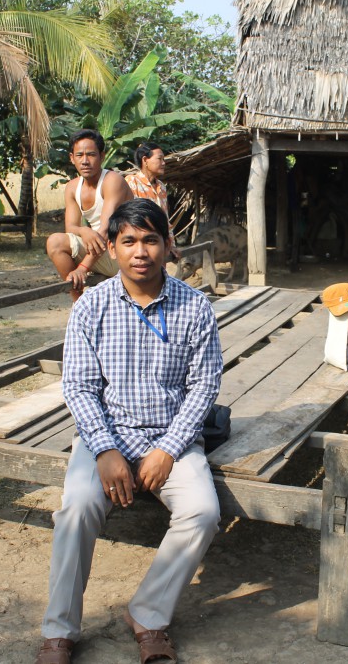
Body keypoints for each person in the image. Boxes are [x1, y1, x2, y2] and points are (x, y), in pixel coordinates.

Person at [37, 198, 222, 664]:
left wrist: (169, 449)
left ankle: (148, 614)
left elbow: (204, 388)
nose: (141, 251)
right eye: (129, 241)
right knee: (77, 508)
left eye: (151, 240)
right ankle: (60, 630)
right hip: (106, 438)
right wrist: (103, 449)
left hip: (172, 439)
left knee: (202, 511)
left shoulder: (196, 307)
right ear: (113, 249)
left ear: (167, 246)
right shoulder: (90, 307)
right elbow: (78, 387)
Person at [46, 129, 134, 301]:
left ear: (102, 156)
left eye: (91, 155)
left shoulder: (112, 180)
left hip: (123, 252)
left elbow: (105, 230)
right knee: (55, 242)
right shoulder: (72, 187)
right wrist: (84, 231)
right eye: (79, 155)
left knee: (99, 236)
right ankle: (78, 302)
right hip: (100, 249)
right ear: (72, 158)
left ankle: (81, 298)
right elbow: (70, 227)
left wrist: (83, 268)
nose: (85, 161)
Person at [126, 141, 181, 261]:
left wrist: (171, 245)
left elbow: (165, 219)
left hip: (158, 246)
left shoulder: (161, 186)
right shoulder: (131, 182)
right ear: (145, 160)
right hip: (140, 248)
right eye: (160, 159)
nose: (163, 163)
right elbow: (129, 219)